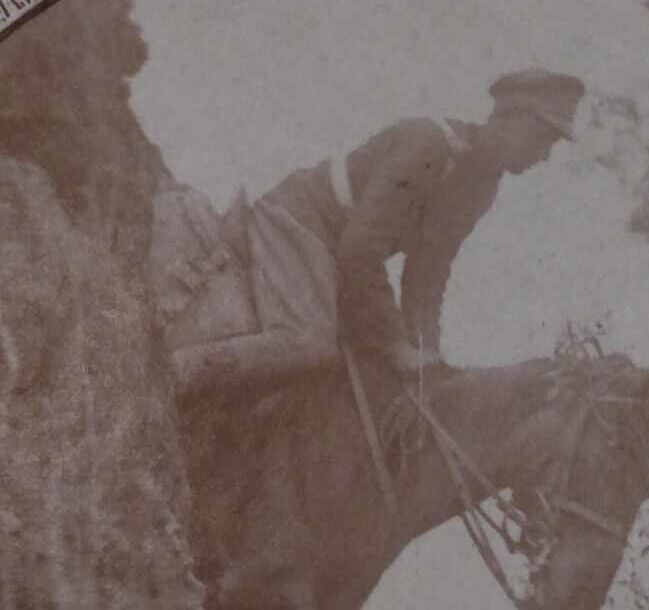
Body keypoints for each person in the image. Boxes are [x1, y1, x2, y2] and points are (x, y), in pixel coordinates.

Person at [170, 68, 585, 395]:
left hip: (336, 251)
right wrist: (394, 345)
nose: (544, 155)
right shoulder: (431, 144)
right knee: (307, 342)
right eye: (540, 137)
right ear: (506, 119)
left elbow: (427, 277)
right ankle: (167, 375)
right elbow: (361, 248)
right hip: (301, 222)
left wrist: (429, 360)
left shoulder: (481, 187)